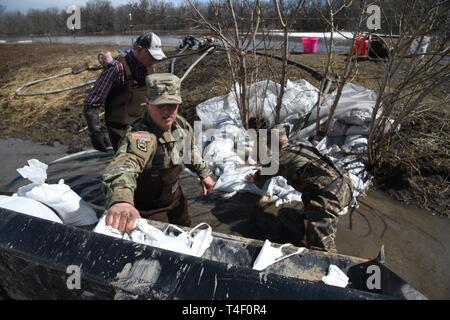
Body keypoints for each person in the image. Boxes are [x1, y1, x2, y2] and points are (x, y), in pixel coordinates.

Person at [102, 73, 215, 234]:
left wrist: (204, 174)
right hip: (150, 210)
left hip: (176, 200)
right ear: (147, 102)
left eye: (172, 104)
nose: (167, 111)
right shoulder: (142, 137)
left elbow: (190, 151)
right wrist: (121, 200)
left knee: (186, 233)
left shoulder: (180, 125)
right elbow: (124, 166)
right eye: (160, 105)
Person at [246, 124, 353, 253]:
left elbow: (261, 177)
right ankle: (312, 218)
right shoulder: (300, 147)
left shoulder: (280, 157)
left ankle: (331, 267)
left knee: (320, 246)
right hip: (346, 185)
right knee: (305, 198)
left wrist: (254, 177)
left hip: (328, 197)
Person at [84, 32, 167, 152]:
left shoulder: (149, 68)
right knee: (130, 163)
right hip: (120, 130)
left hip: (141, 125)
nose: (154, 60)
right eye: (152, 56)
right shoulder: (117, 68)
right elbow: (91, 103)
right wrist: (96, 132)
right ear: (139, 50)